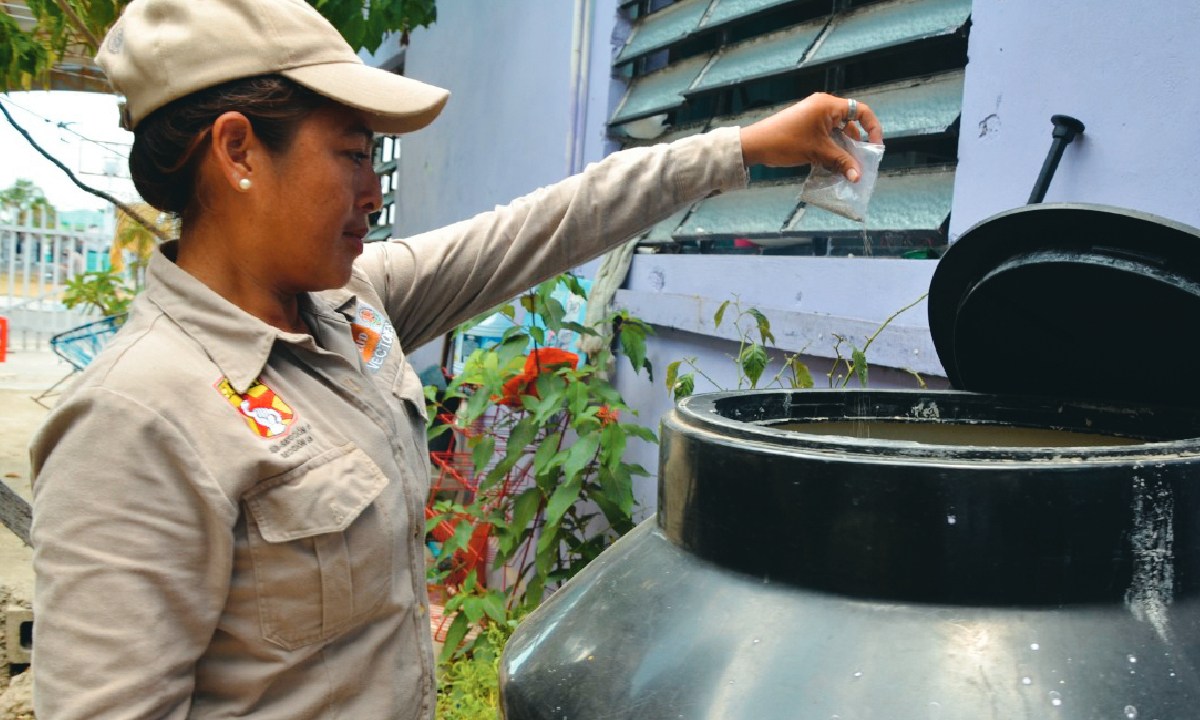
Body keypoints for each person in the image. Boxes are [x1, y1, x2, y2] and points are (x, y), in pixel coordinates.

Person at [27, 0, 883, 718]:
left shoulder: (349, 308)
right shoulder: (139, 416)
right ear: (239, 150)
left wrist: (742, 146)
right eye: (354, 155)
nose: (373, 194)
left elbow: (550, 222)